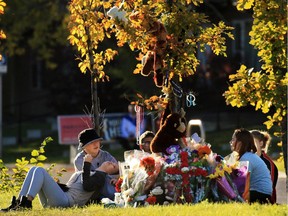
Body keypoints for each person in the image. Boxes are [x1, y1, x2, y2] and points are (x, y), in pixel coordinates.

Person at [0, 156, 118, 211]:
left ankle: (27, 203)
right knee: (34, 169)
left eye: (114, 166)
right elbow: (69, 187)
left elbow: (87, 186)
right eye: (112, 162)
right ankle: (19, 202)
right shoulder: (91, 172)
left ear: (111, 171)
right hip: (59, 199)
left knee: (40, 170)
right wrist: (55, 185)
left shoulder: (101, 178)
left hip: (66, 202)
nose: (111, 163)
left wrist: (86, 163)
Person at [73, 128, 119, 204]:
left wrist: (117, 178)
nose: (95, 144)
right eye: (91, 142)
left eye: (97, 141)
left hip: (110, 192)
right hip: (91, 195)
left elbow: (118, 169)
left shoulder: (105, 155)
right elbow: (88, 182)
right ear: (84, 146)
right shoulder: (79, 159)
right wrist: (103, 170)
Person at [230, 128, 272, 204]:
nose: (231, 143)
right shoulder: (248, 155)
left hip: (260, 195)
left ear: (240, 143)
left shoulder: (246, 158)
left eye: (233, 140)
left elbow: (241, 182)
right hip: (262, 193)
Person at [250, 129, 278, 204]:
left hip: (266, 202)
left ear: (261, 143)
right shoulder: (246, 160)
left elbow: (269, 189)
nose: (250, 146)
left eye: (253, 143)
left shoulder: (268, 163)